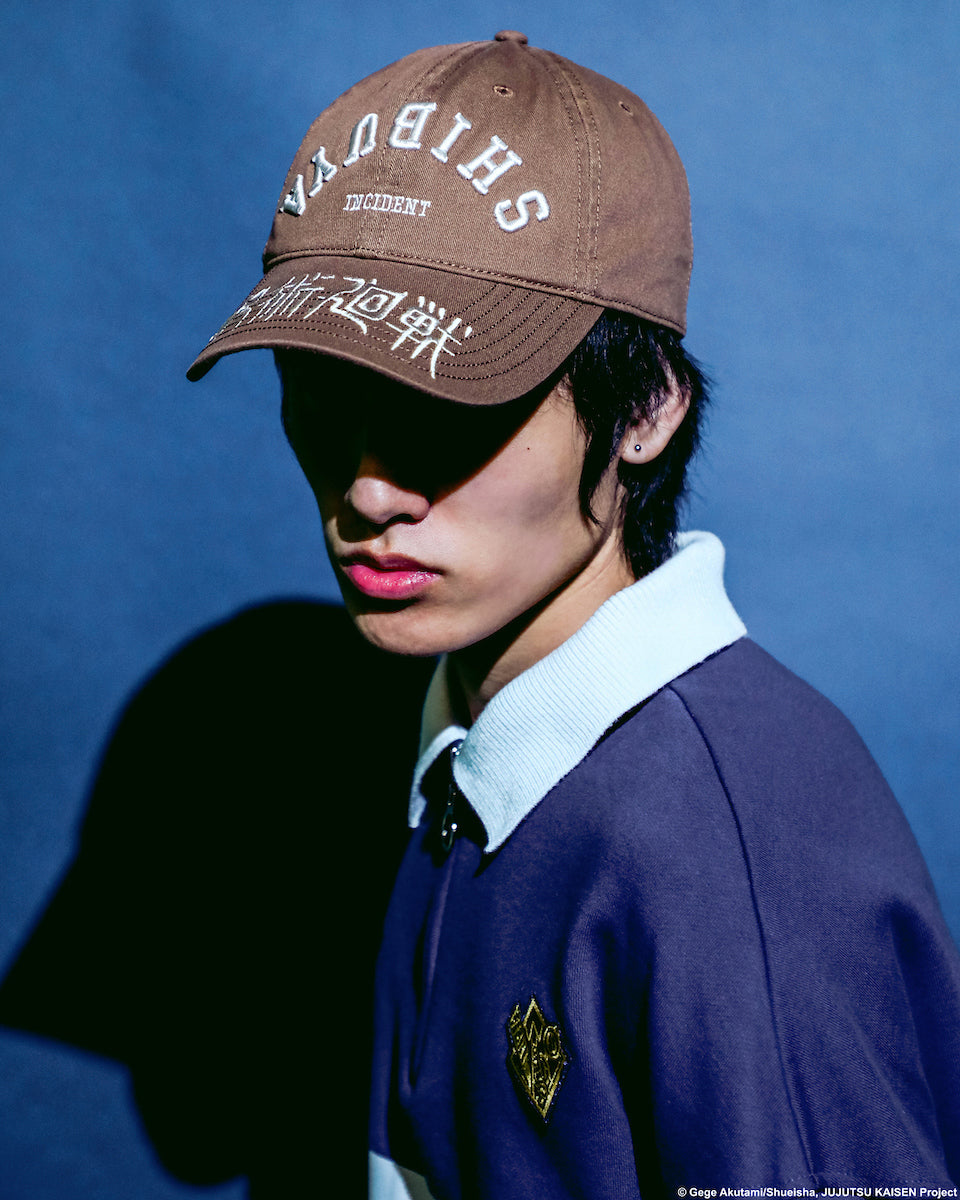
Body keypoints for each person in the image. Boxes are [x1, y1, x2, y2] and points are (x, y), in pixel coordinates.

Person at [186, 31, 960, 1199]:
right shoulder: (460, 740)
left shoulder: (731, 864)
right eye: (324, 388)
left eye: (449, 402)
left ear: (644, 409)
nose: (367, 487)